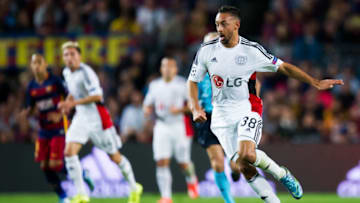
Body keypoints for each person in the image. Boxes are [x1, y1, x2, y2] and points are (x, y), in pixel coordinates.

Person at [187, 5, 344, 203]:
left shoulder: (251, 50)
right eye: (217, 24)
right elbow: (192, 82)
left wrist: (315, 82)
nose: (219, 29)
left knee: (247, 154)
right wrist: (194, 107)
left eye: (224, 24)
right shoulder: (206, 51)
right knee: (244, 166)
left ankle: (281, 174)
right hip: (220, 117)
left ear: (236, 25)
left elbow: (283, 67)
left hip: (247, 107)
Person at [58, 41, 143, 203]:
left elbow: (97, 96)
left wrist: (73, 104)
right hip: (81, 117)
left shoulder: (87, 72)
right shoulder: (66, 73)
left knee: (115, 157)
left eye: (72, 54)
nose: (69, 58)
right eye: (66, 55)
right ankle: (82, 194)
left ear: (79, 56)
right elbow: (73, 93)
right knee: (69, 152)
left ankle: (134, 187)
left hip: (97, 118)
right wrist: (67, 103)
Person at [143, 57, 199, 203]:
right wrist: (147, 111)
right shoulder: (154, 85)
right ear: (161, 69)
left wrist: (180, 109)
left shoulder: (182, 84)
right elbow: (147, 104)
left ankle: (191, 179)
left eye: (170, 67)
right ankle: (166, 197)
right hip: (161, 126)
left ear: (176, 69)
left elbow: (194, 105)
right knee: (161, 161)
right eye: (164, 66)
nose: (167, 69)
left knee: (183, 162)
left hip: (178, 126)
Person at [20, 53, 70, 203]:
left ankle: (79, 172)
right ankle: (63, 197)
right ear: (31, 66)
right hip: (43, 130)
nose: (36, 66)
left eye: (39, 62)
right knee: (44, 165)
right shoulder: (31, 87)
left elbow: (69, 98)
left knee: (55, 164)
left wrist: (59, 115)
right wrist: (26, 113)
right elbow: (32, 108)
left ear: (45, 64)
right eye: (33, 63)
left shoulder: (55, 81)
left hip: (59, 127)